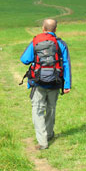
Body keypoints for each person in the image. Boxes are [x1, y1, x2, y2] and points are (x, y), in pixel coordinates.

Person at [20, 18, 71, 150]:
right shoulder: (61, 44)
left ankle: (42, 141)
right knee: (51, 109)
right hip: (55, 81)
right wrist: (67, 85)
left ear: (43, 28)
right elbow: (66, 64)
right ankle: (49, 134)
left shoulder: (36, 41)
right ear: (55, 29)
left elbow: (24, 59)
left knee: (37, 110)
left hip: (38, 82)